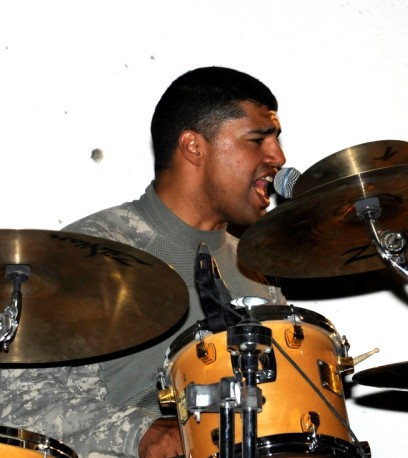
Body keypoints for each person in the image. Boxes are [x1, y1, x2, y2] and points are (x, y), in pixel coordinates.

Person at [0, 66, 287, 457]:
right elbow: (12, 403)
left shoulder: (257, 275)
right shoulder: (81, 257)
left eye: (277, 140)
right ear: (193, 147)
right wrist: (137, 432)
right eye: (258, 139)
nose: (278, 157)